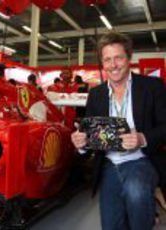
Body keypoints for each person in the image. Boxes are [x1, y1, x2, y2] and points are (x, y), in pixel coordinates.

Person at [71, 32, 166, 230]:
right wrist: (81, 143)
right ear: (102, 63)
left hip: (142, 159)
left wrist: (142, 138)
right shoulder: (96, 95)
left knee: (136, 192)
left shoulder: (152, 86)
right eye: (107, 59)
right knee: (111, 225)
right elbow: (89, 135)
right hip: (109, 164)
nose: (113, 65)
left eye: (118, 58)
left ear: (129, 58)